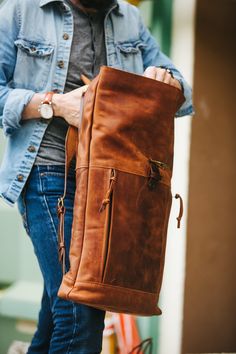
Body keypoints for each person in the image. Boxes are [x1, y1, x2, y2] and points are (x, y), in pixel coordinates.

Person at [0, 0, 193, 352]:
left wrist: (165, 81)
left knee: (58, 310)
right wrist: (55, 104)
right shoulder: (19, 10)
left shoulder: (128, 18)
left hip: (111, 182)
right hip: (47, 172)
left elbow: (184, 92)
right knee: (81, 310)